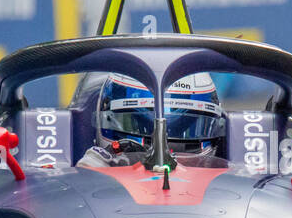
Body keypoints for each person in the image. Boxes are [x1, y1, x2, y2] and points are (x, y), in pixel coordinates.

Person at [77, 72, 226, 168]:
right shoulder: (94, 166)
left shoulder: (232, 178)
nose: (166, 151)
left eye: (187, 130)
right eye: (140, 126)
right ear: (106, 120)